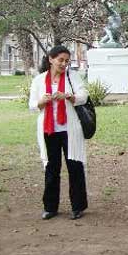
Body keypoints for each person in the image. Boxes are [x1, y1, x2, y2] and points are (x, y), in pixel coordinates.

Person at [29, 45, 89, 220]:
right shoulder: (39, 80)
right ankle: (50, 207)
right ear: (51, 59)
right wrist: (42, 101)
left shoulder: (72, 76)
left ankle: (78, 206)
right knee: (51, 168)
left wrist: (68, 96)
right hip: (49, 129)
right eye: (60, 60)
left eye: (66, 61)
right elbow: (32, 105)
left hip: (70, 129)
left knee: (75, 167)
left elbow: (83, 96)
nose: (63, 64)